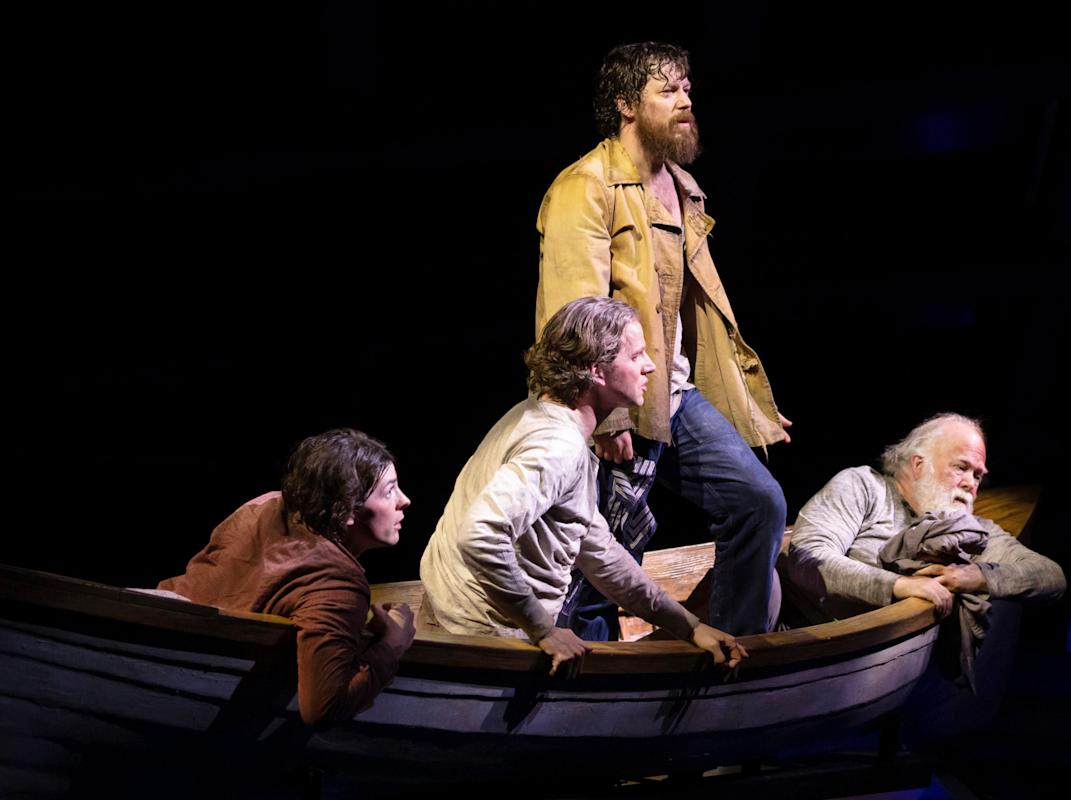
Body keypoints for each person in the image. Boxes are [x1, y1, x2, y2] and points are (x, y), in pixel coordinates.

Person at [535, 41, 788, 639]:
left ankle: (734, 651)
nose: (686, 101)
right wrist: (608, 419)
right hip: (613, 399)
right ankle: (594, 690)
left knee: (759, 503)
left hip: (673, 394)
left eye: (688, 89)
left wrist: (750, 403)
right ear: (626, 104)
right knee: (602, 554)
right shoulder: (586, 186)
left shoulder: (683, 185)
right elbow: (573, 315)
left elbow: (700, 312)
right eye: (668, 90)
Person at [420, 296, 747, 676]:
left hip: (454, 622)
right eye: (636, 355)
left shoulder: (540, 418)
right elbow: (479, 535)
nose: (650, 365)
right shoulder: (557, 446)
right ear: (596, 370)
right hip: (481, 644)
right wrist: (542, 629)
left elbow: (600, 552)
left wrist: (690, 627)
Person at [157, 429, 416, 727]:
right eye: (389, 491)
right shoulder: (339, 583)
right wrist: (392, 646)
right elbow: (323, 709)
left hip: (162, 623)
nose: (404, 500)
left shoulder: (266, 503)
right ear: (346, 509)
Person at [786, 413, 1066, 623]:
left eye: (978, 475)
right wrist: (899, 586)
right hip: (824, 637)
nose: (971, 483)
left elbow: (1051, 577)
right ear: (918, 465)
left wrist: (977, 576)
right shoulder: (864, 486)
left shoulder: (973, 531)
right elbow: (808, 558)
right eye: (961, 467)